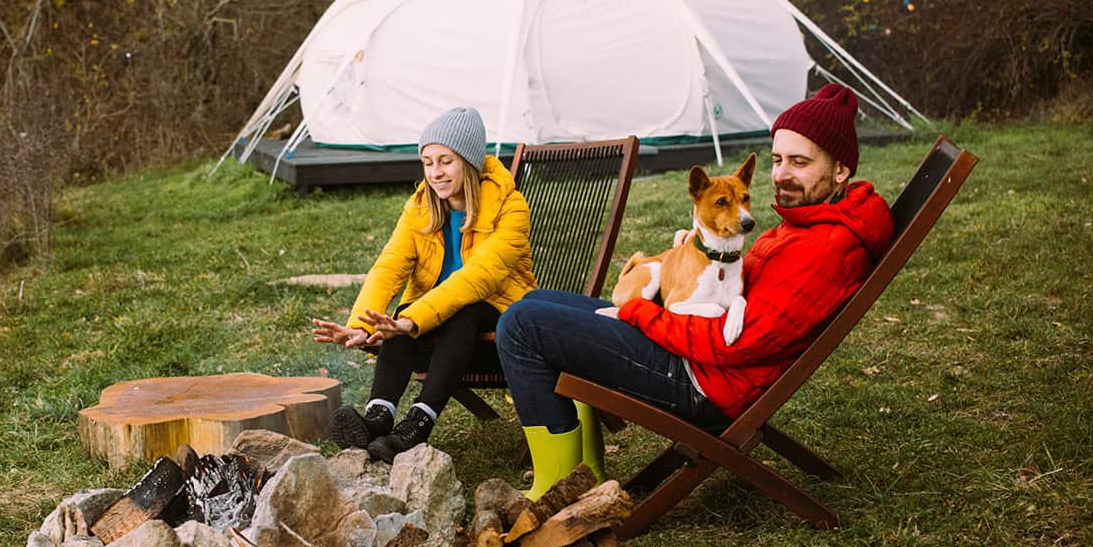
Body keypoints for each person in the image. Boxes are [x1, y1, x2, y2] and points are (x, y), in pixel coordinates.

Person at [495, 84, 895, 498]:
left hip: (703, 381)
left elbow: (734, 345)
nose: (780, 174)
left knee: (522, 325)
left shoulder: (827, 247)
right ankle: (587, 472)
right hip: (697, 353)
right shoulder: (815, 219)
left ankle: (555, 488)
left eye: (799, 162)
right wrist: (696, 258)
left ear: (840, 170)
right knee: (536, 302)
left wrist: (641, 312)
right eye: (777, 160)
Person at [312, 107, 537, 463]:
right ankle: (377, 418)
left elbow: (479, 277)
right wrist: (361, 324)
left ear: (469, 161)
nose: (435, 172)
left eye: (446, 161)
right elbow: (389, 266)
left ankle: (418, 423)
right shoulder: (420, 208)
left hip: (499, 326)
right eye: (428, 162)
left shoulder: (511, 207)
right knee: (404, 313)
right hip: (433, 332)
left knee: (460, 313)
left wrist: (413, 320)